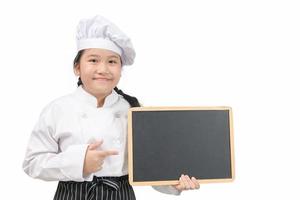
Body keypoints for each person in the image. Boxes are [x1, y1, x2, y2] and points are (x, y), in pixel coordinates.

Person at [23, 15, 200, 200]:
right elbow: (32, 163)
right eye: (93, 60)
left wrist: (172, 184)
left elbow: (148, 164)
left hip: (120, 194)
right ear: (77, 67)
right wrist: (79, 162)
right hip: (71, 195)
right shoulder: (57, 109)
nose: (103, 69)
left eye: (112, 61)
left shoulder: (133, 109)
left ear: (121, 69)